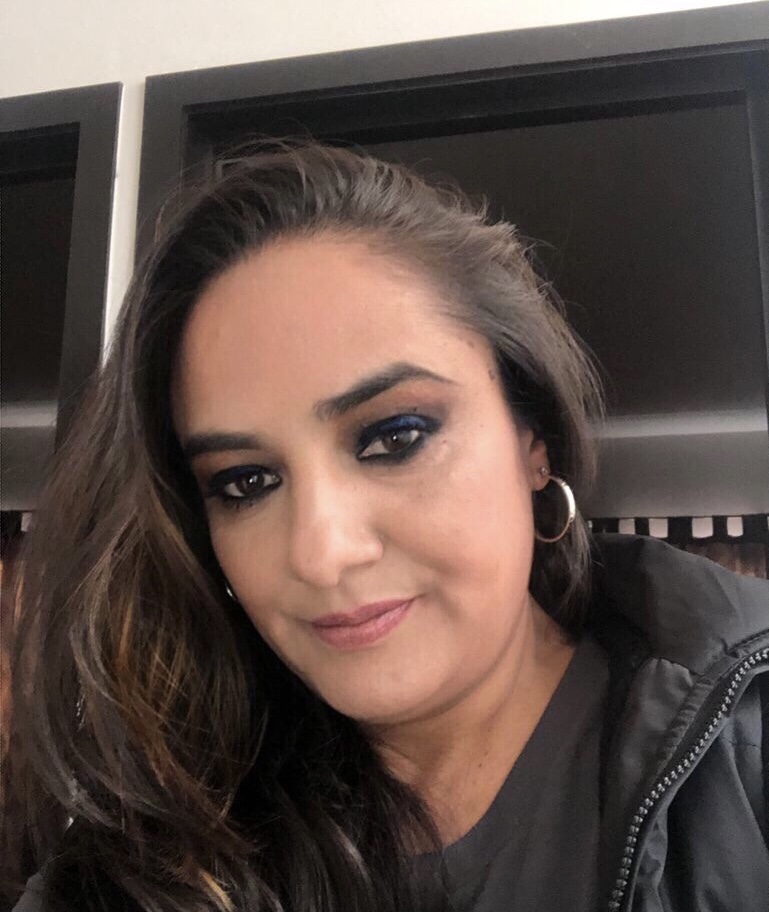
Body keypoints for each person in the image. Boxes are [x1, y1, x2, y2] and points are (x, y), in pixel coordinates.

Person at [2, 139, 768, 912]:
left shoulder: (745, 752)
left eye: (395, 437)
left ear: (530, 440)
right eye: (245, 482)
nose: (321, 554)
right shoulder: (138, 862)